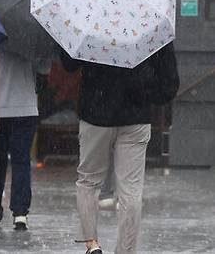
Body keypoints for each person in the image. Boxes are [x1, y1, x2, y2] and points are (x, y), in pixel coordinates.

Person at [60, 42, 179, 254]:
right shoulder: (150, 23)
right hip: (136, 116)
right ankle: (126, 249)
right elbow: (169, 84)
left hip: (95, 113)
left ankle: (92, 243)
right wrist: (145, 94)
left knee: (88, 180)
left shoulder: (91, 18)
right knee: (131, 190)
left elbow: (69, 64)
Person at [0, 50, 51, 230]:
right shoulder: (31, 38)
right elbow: (44, 68)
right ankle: (20, 212)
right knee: (21, 160)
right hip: (25, 106)